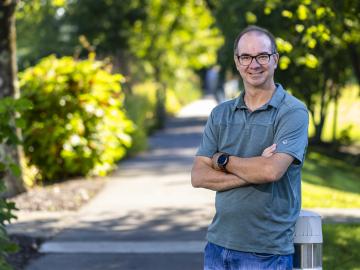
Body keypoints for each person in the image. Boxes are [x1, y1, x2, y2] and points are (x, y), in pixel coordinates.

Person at [191, 25, 309, 270]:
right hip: (216, 246)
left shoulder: (292, 111)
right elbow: (198, 176)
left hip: (266, 253)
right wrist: (253, 168)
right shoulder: (220, 114)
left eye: (262, 56)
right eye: (245, 56)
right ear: (237, 61)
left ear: (274, 59)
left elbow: (271, 172)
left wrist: (223, 161)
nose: (253, 64)